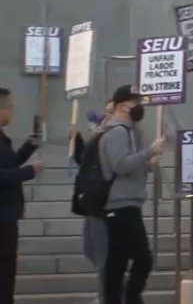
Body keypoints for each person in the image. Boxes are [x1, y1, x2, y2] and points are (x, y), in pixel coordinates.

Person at [101, 85, 166, 304]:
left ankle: (116, 299)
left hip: (128, 204)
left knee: (118, 261)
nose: (139, 107)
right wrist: (150, 151)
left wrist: (147, 163)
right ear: (120, 106)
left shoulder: (132, 132)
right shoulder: (117, 132)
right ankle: (131, 298)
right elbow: (120, 164)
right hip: (120, 205)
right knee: (143, 259)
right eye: (134, 102)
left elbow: (132, 162)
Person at [0, 87, 43, 304]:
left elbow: (8, 165)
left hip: (8, 214)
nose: (12, 111)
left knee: (8, 270)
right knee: (4, 269)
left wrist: (27, 148)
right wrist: (29, 171)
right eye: (9, 106)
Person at [71, 99, 113, 304]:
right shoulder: (99, 136)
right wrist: (79, 141)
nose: (106, 117)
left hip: (107, 207)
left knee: (105, 257)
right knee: (91, 250)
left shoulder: (117, 136)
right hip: (91, 203)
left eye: (111, 112)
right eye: (105, 112)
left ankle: (108, 296)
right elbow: (85, 162)